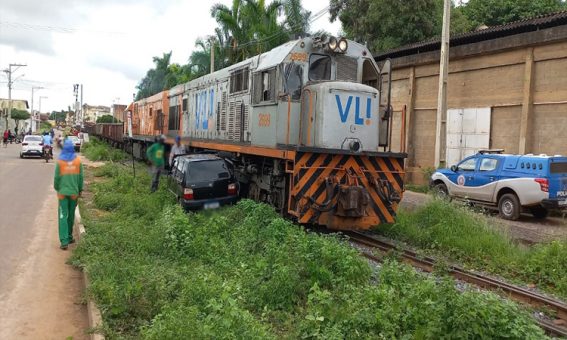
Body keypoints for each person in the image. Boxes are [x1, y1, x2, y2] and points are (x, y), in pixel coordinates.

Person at [53, 139, 83, 250]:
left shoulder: (60, 162)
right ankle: (70, 237)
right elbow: (80, 178)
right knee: (70, 216)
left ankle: (64, 241)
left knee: (63, 216)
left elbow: (56, 179)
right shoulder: (78, 161)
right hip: (74, 194)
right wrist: (80, 190)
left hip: (62, 194)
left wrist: (58, 188)